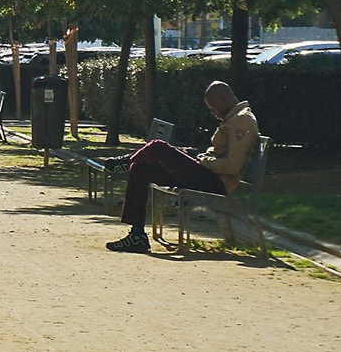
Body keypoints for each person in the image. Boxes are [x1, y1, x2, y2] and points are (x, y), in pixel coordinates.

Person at [106, 81, 259, 253]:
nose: (213, 112)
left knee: (158, 146)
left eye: (213, 107)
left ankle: (127, 161)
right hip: (209, 176)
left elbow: (232, 166)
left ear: (223, 99)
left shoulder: (242, 121)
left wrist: (203, 161)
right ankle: (137, 236)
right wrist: (199, 157)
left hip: (216, 183)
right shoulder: (234, 119)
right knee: (142, 170)